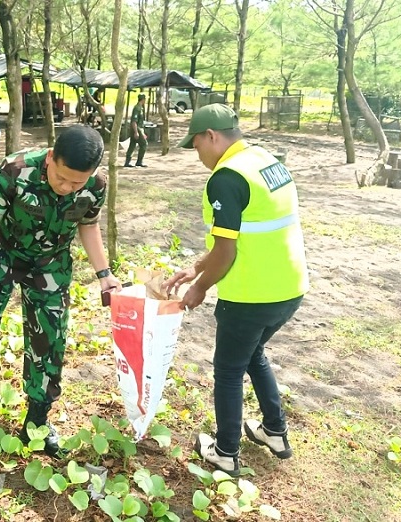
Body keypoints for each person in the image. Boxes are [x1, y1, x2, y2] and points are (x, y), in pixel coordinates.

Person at [0, 125, 122, 458]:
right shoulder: (14, 171)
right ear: (50, 159)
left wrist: (105, 275)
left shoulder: (96, 186)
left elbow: (88, 226)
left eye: (78, 182)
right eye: (62, 178)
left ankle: (38, 419)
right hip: (2, 253)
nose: (67, 187)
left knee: (50, 340)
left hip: (49, 263)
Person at [162, 104, 309, 476]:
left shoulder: (226, 178)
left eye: (196, 147)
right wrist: (194, 266)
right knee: (254, 353)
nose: (198, 157)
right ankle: (274, 432)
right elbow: (240, 236)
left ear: (211, 136)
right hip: (289, 289)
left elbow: (226, 252)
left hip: (250, 295)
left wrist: (199, 288)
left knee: (228, 369)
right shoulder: (265, 160)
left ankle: (225, 451)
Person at [124, 94, 147, 168]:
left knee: (132, 144)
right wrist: (136, 132)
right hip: (137, 129)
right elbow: (134, 121)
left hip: (139, 129)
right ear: (143, 99)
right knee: (144, 144)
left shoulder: (141, 108)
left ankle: (127, 162)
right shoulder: (137, 108)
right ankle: (139, 161)